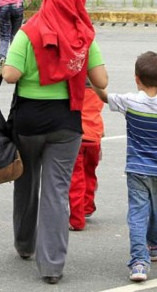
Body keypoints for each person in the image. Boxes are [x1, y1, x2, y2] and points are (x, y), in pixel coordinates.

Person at [1, 0, 108, 285]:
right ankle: (52, 266)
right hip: (66, 124)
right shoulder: (83, 36)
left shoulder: (29, 32)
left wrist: (5, 68)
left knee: (26, 183)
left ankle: (24, 245)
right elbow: (101, 78)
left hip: (29, 123)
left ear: (48, 0)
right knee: (56, 192)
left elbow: (11, 75)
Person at [92, 51, 157, 283]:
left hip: (137, 167)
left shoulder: (129, 101)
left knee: (138, 213)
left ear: (136, 78)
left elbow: (104, 96)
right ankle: (154, 245)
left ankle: (139, 262)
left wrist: (94, 81)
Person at [68, 78, 104, 231]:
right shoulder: (97, 94)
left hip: (77, 137)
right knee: (90, 173)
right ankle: (87, 206)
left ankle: (77, 219)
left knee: (76, 179)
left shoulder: (73, 93)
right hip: (94, 138)